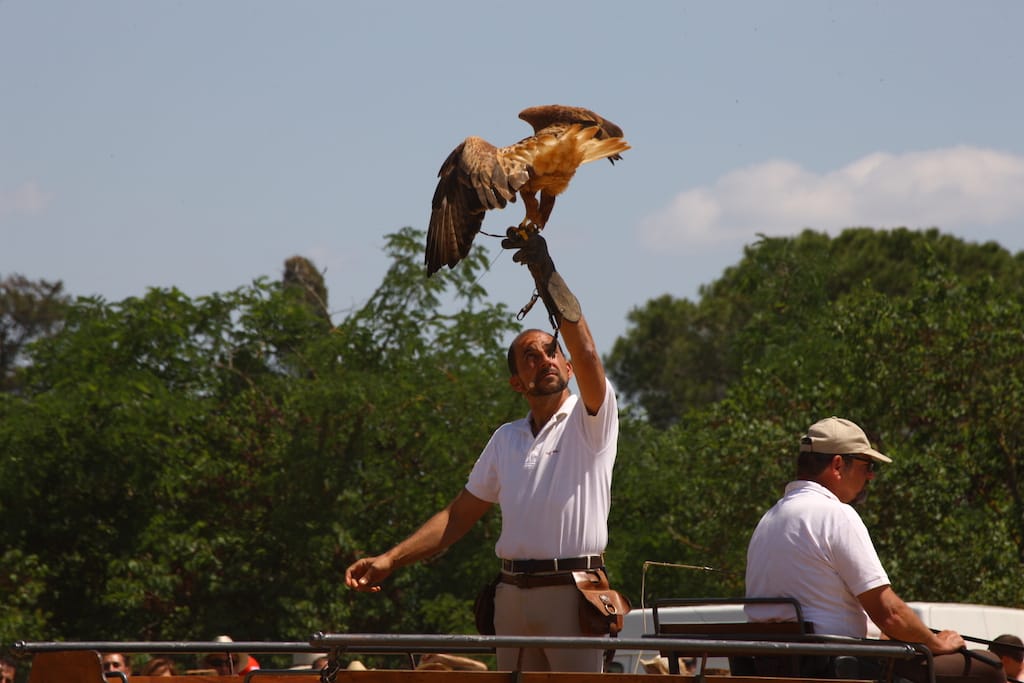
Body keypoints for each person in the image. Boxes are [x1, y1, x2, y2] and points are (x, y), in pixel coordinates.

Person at [344, 232, 619, 672]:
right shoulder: (506, 439)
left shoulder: (591, 421)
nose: (546, 360)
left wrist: (547, 275)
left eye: (553, 353)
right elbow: (456, 519)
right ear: (516, 383)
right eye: (531, 357)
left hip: (572, 594)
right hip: (511, 595)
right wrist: (390, 560)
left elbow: (587, 351)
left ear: (567, 368)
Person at [745, 416, 1005, 683]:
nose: (870, 475)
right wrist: (936, 643)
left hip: (778, 663)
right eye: (867, 465)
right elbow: (890, 614)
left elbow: (827, 606)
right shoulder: (835, 514)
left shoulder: (770, 519)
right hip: (838, 667)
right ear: (837, 465)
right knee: (990, 667)